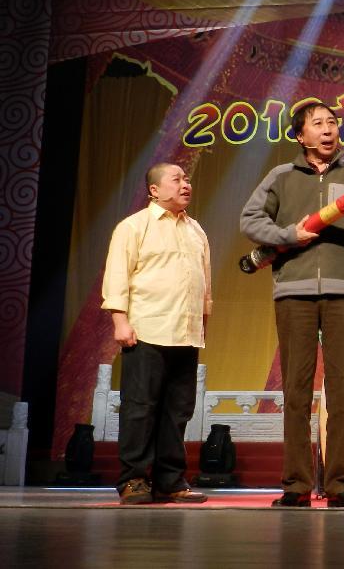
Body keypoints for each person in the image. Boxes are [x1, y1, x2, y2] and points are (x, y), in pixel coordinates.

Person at [240, 102, 344, 508]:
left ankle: (341, 484)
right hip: (294, 291)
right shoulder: (281, 177)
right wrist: (288, 234)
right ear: (300, 135)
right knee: (297, 390)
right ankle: (296, 485)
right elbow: (250, 220)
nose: (327, 130)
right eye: (317, 124)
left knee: (342, 390)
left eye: (332, 123)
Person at [101, 163, 212, 505]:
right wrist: (120, 321)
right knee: (140, 408)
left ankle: (170, 480)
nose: (186, 184)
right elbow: (118, 276)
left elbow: (204, 284)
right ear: (154, 190)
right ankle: (133, 479)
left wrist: (202, 325)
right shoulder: (134, 227)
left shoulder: (196, 230)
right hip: (146, 330)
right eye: (177, 179)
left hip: (186, 332)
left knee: (178, 411)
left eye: (187, 179)